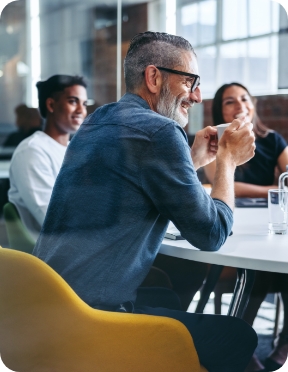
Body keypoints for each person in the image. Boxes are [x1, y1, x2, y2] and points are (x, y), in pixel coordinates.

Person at [33, 32, 257, 371]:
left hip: (47, 307)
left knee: (165, 293)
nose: (197, 96)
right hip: (90, 320)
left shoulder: (98, 120)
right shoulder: (160, 133)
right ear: (154, 77)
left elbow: (134, 185)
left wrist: (191, 159)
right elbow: (212, 234)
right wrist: (227, 161)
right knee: (239, 336)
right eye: (190, 81)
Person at [204, 82, 288, 372]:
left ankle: (285, 341)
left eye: (244, 98)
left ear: (252, 104)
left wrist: (247, 187)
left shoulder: (272, 140)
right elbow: (223, 185)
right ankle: (241, 344)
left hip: (269, 226)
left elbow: (287, 182)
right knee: (258, 267)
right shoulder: (214, 142)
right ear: (219, 110)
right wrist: (271, 189)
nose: (239, 105)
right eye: (230, 101)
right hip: (232, 229)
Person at [8, 74, 88, 240]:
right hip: (51, 254)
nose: (81, 110)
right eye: (73, 101)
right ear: (51, 104)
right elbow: (52, 220)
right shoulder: (32, 151)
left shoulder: (72, 151)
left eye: (84, 103)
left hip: (76, 243)